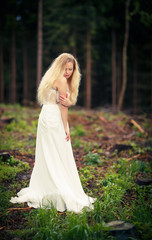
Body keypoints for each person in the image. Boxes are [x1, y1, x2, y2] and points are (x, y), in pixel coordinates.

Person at [10, 53, 95, 213]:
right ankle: (57, 186)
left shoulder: (51, 78)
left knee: (48, 153)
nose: (68, 72)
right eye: (66, 68)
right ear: (60, 66)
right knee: (58, 152)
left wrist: (68, 102)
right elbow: (63, 106)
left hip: (45, 116)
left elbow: (58, 101)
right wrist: (65, 127)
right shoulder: (62, 81)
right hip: (55, 119)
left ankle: (46, 185)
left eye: (71, 69)